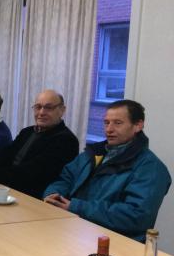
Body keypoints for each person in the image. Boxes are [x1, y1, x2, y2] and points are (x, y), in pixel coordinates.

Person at [43, 99, 171, 242]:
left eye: (117, 123)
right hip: (75, 229)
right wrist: (54, 194)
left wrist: (76, 207)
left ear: (137, 126)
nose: (109, 129)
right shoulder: (94, 153)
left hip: (116, 243)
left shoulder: (151, 168)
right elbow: (66, 178)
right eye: (106, 122)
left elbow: (137, 216)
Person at [0, 90, 79, 198]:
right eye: (38, 107)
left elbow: (32, 174)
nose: (41, 112)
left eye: (48, 108)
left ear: (62, 110)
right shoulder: (27, 132)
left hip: (34, 199)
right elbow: (4, 157)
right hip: (6, 189)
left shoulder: (66, 140)